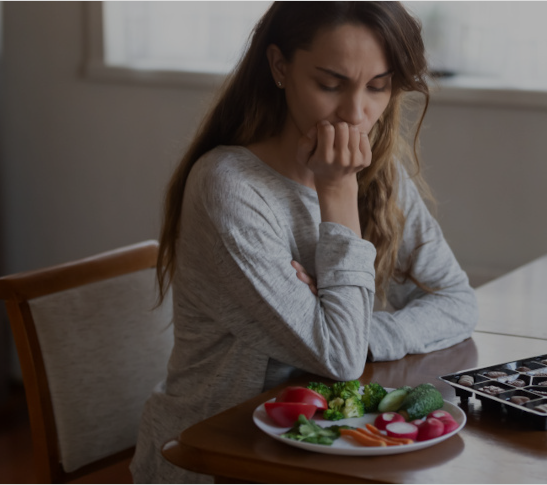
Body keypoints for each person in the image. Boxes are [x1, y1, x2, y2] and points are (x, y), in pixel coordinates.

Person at [130, 1, 478, 482]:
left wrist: (363, 332)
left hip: (328, 446)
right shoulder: (229, 187)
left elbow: (457, 301)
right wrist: (337, 192)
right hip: (217, 457)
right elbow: (339, 359)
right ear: (279, 67)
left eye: (378, 86)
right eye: (330, 84)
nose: (357, 114)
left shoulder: (380, 173)